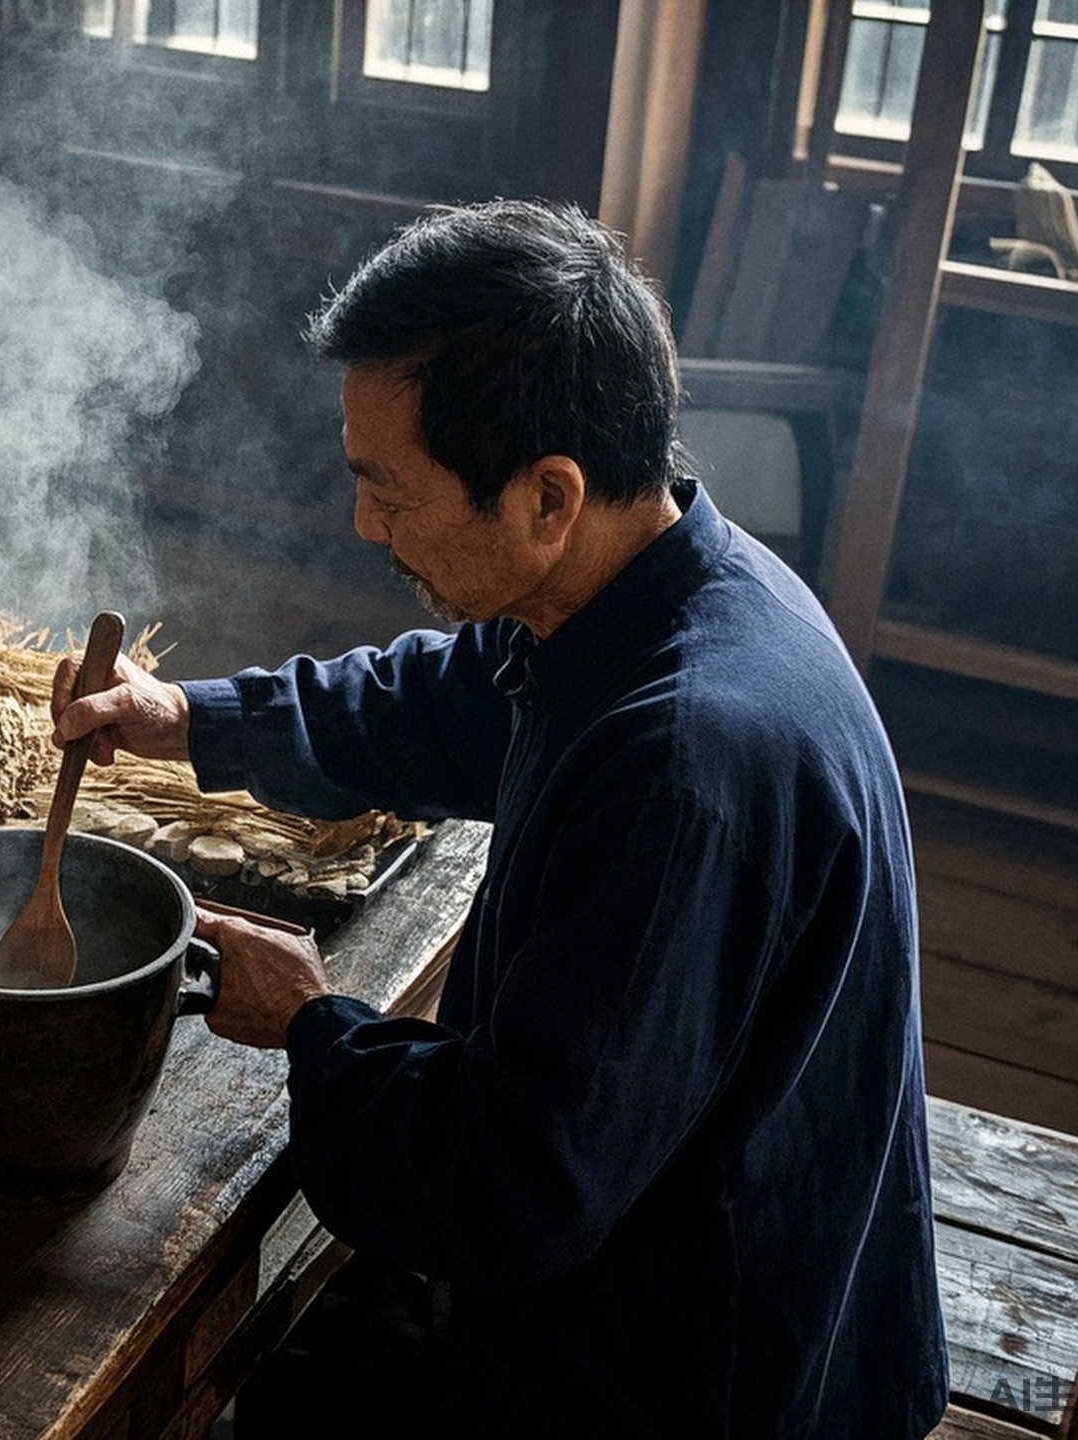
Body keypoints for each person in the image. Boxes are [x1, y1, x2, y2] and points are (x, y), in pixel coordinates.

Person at [53, 199, 949, 1436]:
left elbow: (516, 1188)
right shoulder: (652, 586)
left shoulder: (677, 767)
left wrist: (312, 1026)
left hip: (716, 1366)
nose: (366, 526)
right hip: (655, 1233)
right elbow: (438, 703)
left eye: (389, 493)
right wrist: (190, 719)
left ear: (547, 496)